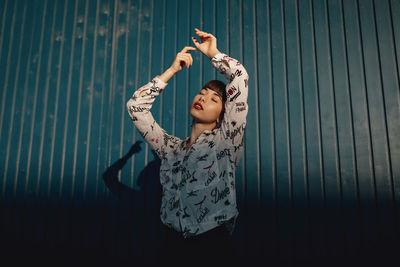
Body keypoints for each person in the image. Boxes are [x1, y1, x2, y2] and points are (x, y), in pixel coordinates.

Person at [126, 28, 248, 266]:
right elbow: (135, 107)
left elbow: (240, 77)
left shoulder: (227, 139)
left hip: (214, 246)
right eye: (202, 93)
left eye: (214, 99)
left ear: (223, 116)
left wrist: (213, 54)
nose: (203, 98)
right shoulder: (170, 148)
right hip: (172, 247)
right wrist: (171, 70)